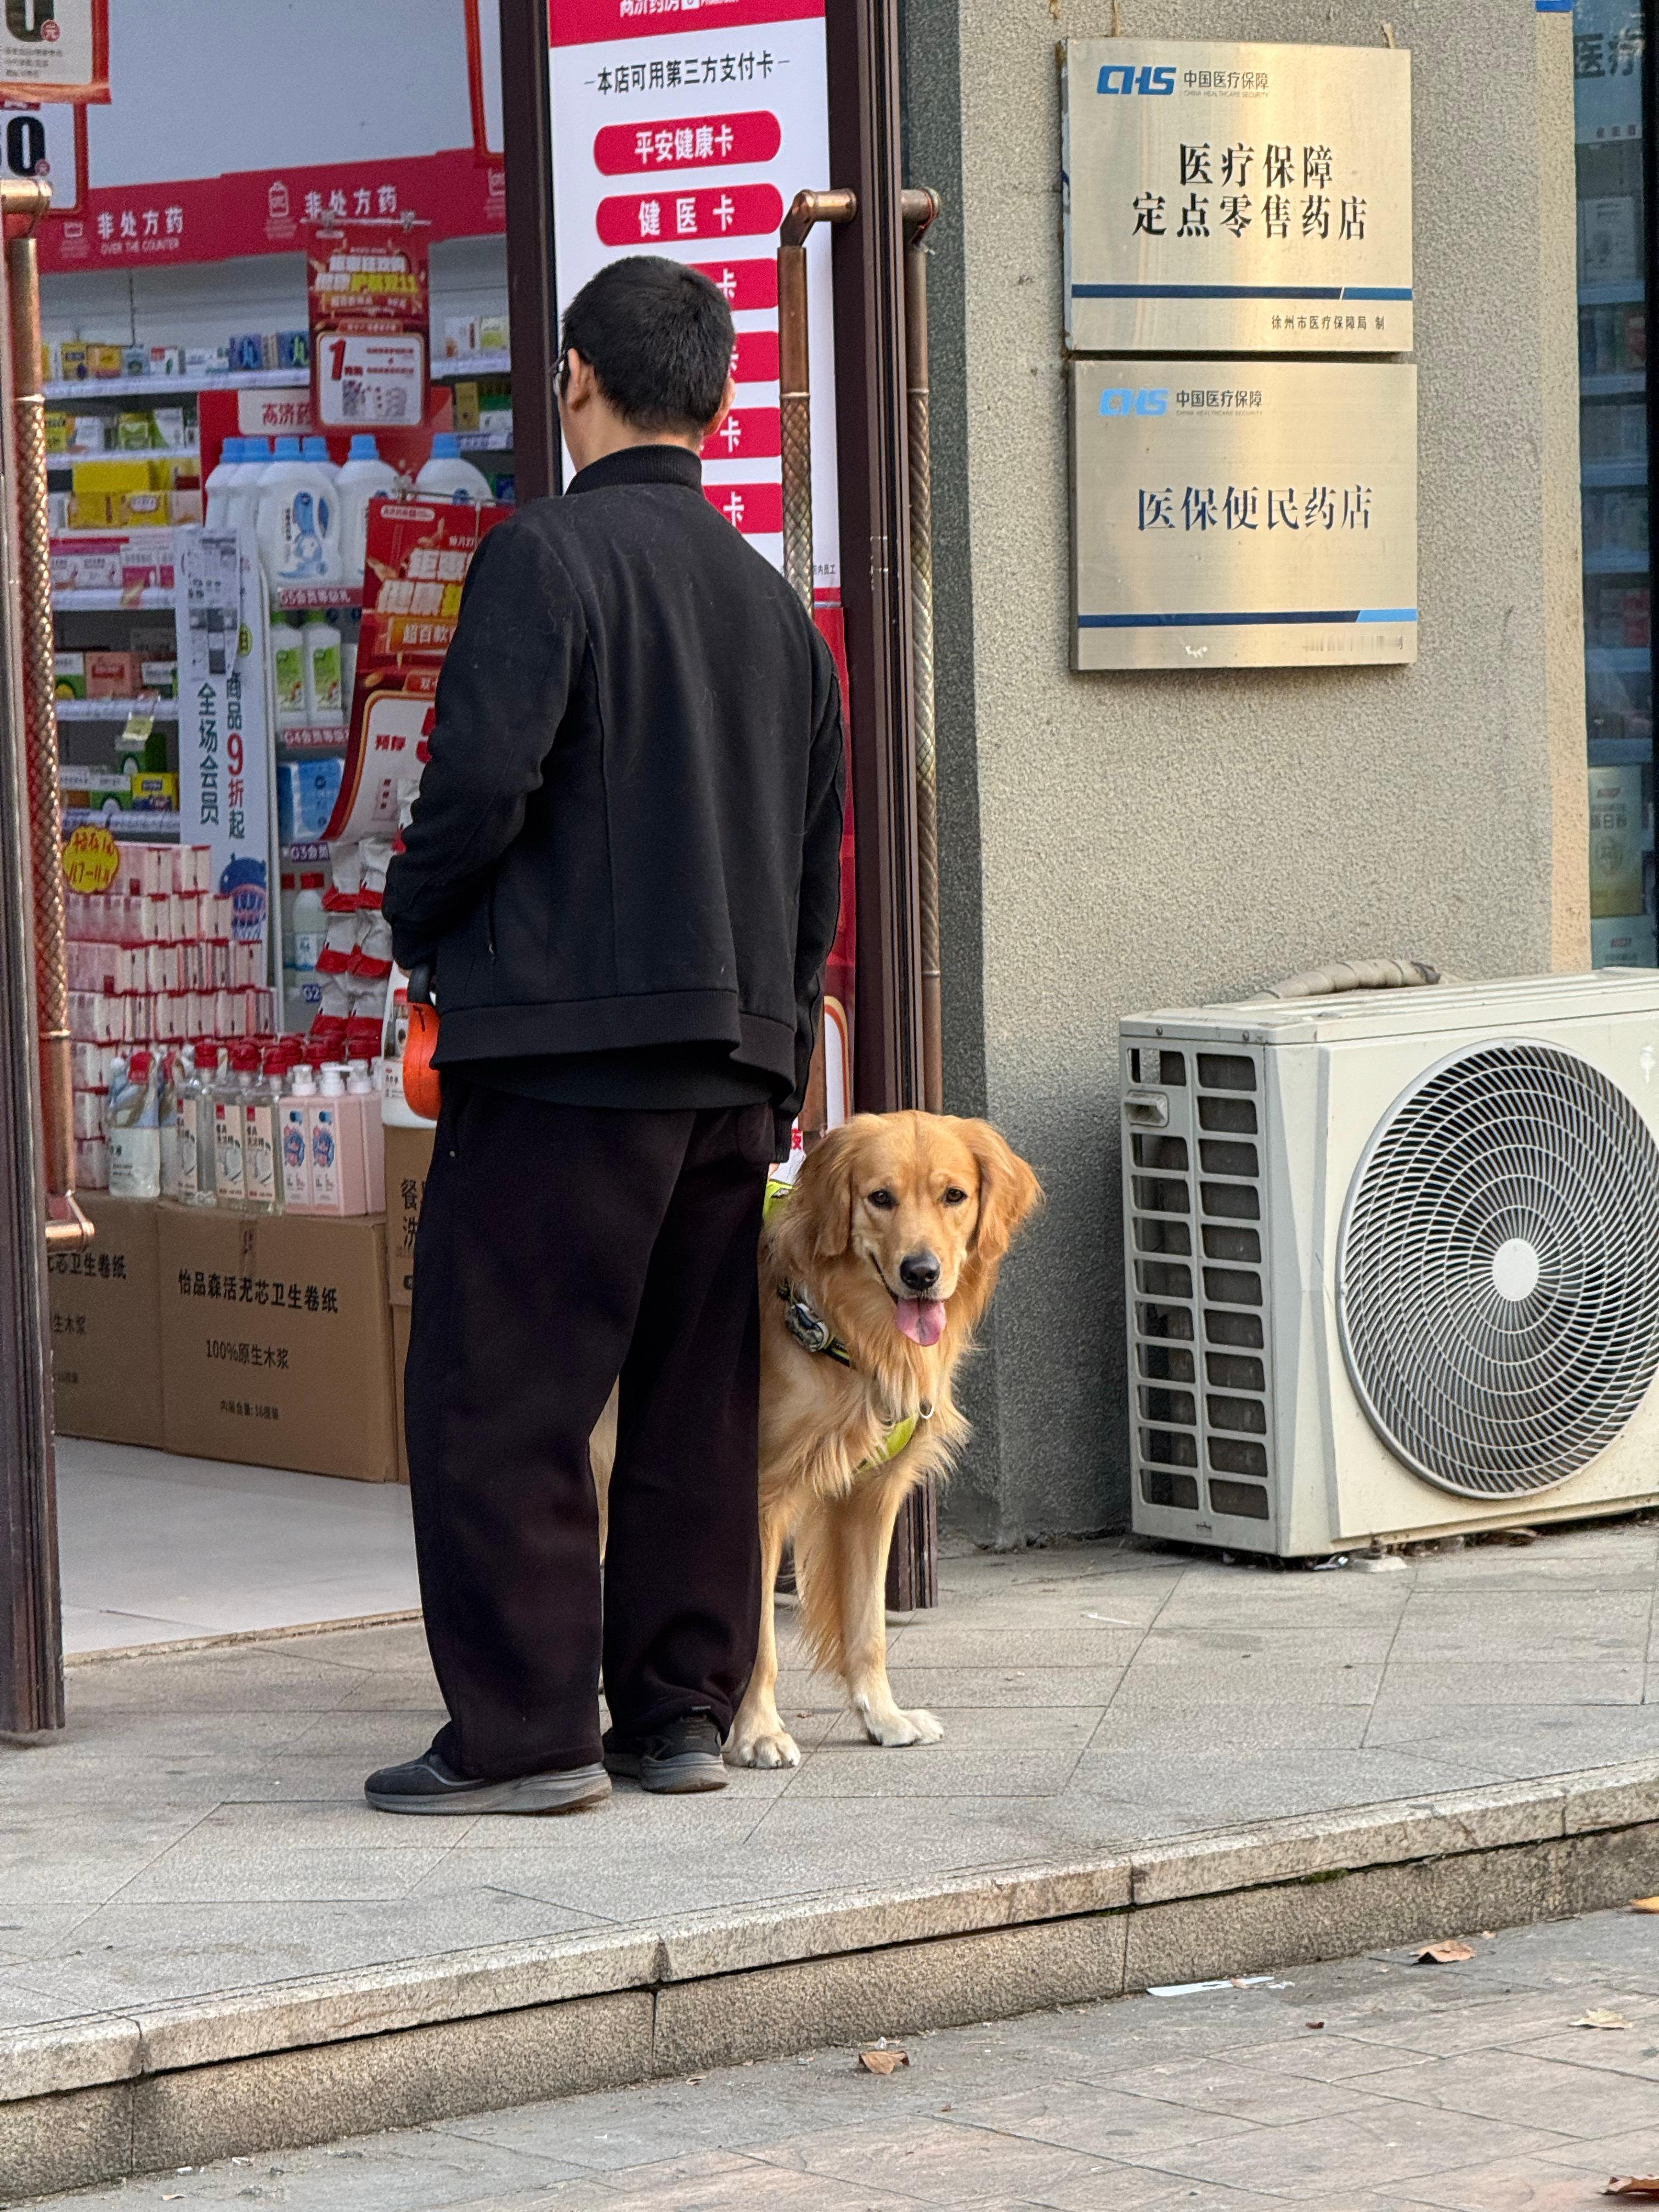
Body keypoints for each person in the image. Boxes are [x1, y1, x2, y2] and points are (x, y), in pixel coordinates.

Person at [366, 256, 845, 1815]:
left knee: (499, 1394)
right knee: (695, 1398)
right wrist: (773, 1050)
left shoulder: (543, 560)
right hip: (732, 1062)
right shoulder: (780, 611)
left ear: (575, 378)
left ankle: (522, 1737)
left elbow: (480, 791)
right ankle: (676, 1713)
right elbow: (814, 862)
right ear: (711, 396)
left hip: (567, 1061)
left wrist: (418, 916)